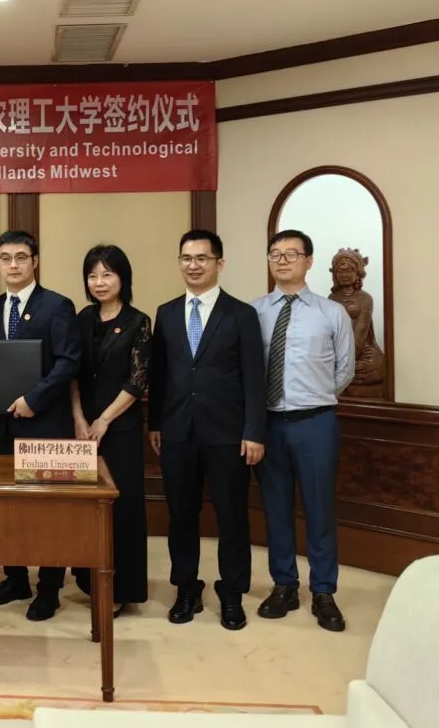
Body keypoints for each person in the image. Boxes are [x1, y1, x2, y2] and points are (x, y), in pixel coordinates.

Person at [149, 229, 265, 631]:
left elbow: (255, 377)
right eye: (186, 258)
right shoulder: (165, 313)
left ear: (219, 263)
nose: (193, 265)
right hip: (178, 431)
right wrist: (156, 424)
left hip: (229, 434)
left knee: (232, 517)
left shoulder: (241, 314)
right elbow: (159, 376)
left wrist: (254, 430)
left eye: (202, 258)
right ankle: (186, 588)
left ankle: (231, 594)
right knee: (181, 515)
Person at [252, 229, 356, 632]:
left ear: (309, 261)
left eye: (291, 254)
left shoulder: (331, 313)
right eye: (275, 254)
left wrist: (315, 396)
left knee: (319, 509)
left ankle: (324, 591)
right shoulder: (255, 311)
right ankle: (284, 585)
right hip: (269, 424)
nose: (282, 261)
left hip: (316, 422)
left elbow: (343, 370)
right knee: (275, 508)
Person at [0, 230, 81, 622]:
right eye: (5, 258)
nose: (14, 265)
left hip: (46, 425)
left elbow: (68, 361)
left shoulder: (57, 305)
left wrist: (33, 399)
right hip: (4, 426)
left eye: (21, 257)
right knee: (9, 507)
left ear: (35, 261)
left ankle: (50, 588)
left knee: (47, 509)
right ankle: (15, 577)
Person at [70, 245, 151, 618]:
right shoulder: (82, 318)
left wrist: (104, 420)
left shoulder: (138, 321)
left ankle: (122, 588)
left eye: (107, 274)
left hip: (120, 431)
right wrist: (79, 419)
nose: (99, 282)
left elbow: (137, 381)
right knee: (87, 510)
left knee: (122, 508)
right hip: (82, 430)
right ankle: (91, 583)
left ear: (123, 278)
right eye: (92, 275)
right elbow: (71, 374)